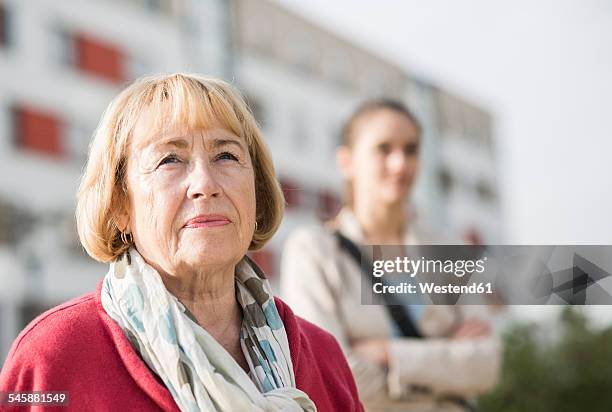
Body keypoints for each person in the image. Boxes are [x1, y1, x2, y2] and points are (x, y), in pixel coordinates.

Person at [0, 73, 363, 412]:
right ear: (120, 205)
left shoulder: (323, 356)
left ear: (257, 192)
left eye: (226, 156)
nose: (205, 183)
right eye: (169, 160)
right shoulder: (53, 356)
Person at [280, 99, 501, 411]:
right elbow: (330, 377)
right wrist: (447, 361)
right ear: (347, 161)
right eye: (384, 149)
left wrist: (388, 354)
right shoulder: (313, 250)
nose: (400, 163)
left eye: (410, 150)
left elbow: (484, 365)